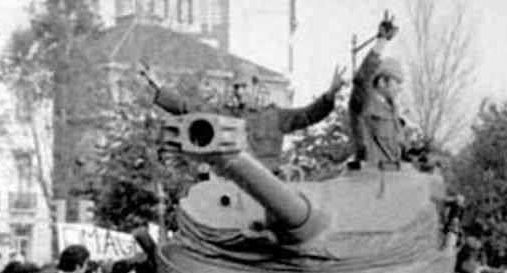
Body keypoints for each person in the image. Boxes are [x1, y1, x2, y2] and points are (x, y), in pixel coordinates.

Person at [145, 61, 345, 171]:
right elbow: (189, 108)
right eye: (236, 87)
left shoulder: (275, 116)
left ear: (256, 86)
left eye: (244, 87)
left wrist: (329, 95)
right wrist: (158, 87)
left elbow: (307, 115)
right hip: (231, 187)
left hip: (271, 187)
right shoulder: (224, 115)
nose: (239, 92)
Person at [349, 13, 406, 170]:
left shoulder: (393, 111)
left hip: (392, 183)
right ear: (382, 82)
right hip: (369, 183)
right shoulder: (365, 102)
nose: (400, 89)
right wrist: (381, 41)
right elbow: (361, 78)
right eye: (397, 83)